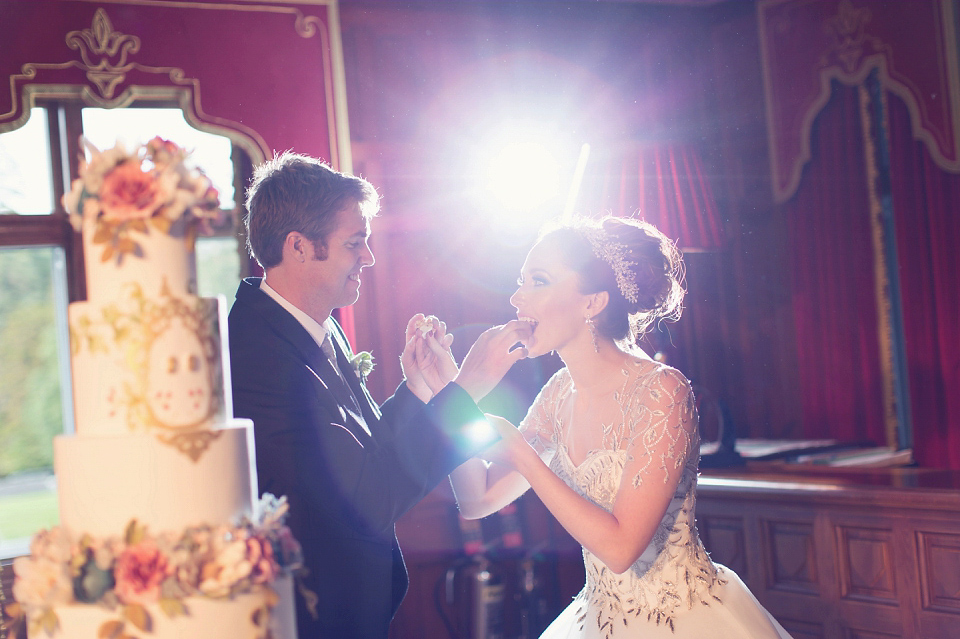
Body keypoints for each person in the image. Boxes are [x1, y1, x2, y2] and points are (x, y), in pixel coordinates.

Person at [430, 215, 794, 638]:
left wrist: (526, 459)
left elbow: (622, 549)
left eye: (538, 281)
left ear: (593, 302)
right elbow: (477, 500)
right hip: (596, 619)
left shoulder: (662, 392)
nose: (516, 298)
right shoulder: (557, 394)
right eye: (520, 280)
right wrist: (452, 395)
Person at [228, 153, 528, 639]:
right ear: (299, 247)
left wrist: (415, 391)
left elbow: (363, 450)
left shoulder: (313, 325)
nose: (368, 257)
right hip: (312, 617)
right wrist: (466, 386)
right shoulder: (256, 355)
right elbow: (367, 498)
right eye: (354, 243)